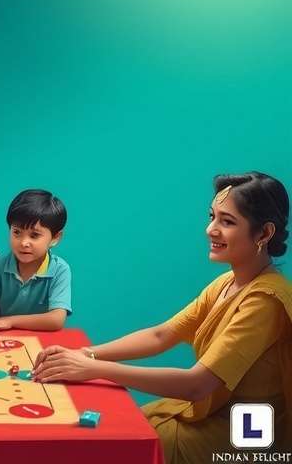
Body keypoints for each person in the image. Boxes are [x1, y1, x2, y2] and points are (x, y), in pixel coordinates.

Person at [33, 172, 292, 462]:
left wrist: (95, 369)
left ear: (264, 234)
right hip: (208, 418)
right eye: (212, 217)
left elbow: (197, 385)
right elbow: (162, 335)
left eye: (227, 222)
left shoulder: (264, 300)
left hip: (241, 435)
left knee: (123, 442)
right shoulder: (227, 283)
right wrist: (84, 354)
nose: (211, 229)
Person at [0, 189, 71, 334]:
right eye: (17, 232)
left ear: (55, 238)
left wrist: (9, 321)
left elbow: (56, 319)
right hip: (0, 339)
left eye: (34, 235)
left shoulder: (60, 270)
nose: (24, 242)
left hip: (40, 343)